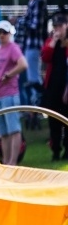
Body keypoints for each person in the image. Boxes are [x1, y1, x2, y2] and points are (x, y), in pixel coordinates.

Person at [0, 21, 27, 165]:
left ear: (10, 33)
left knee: (14, 130)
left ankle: (13, 162)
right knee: (3, 132)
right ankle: (6, 162)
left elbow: (23, 64)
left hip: (10, 94)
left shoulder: (13, 48)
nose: (1, 35)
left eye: (4, 32)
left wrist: (9, 74)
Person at [41, 13, 68, 160]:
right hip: (53, 87)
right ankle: (55, 149)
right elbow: (45, 57)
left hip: (66, 87)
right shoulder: (51, 42)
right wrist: (53, 42)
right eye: (55, 26)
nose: (58, 29)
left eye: (60, 26)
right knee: (53, 121)